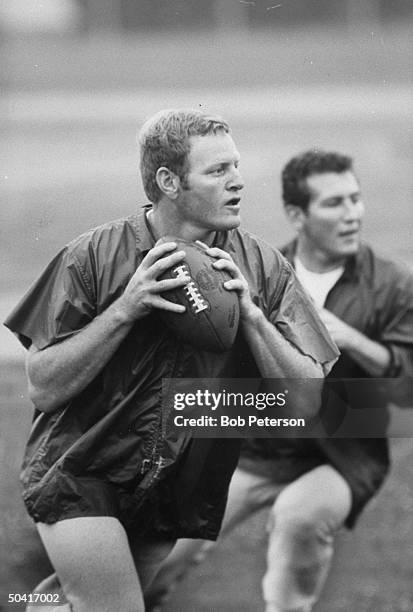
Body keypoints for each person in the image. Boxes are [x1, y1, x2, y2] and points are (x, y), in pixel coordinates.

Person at [4, 114, 337, 612]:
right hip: (81, 470)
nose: (238, 180)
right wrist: (124, 309)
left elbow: (308, 398)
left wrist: (250, 316)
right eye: (218, 170)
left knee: (66, 602)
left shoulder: (263, 268)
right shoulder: (91, 257)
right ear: (169, 181)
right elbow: (44, 389)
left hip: (176, 480)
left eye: (237, 166)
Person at [145, 149, 413, 612]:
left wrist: (351, 339)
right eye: (334, 203)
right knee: (164, 546)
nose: (352, 215)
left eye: (355, 199)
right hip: (258, 449)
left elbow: (406, 393)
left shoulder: (391, 285)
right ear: (297, 215)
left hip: (341, 456)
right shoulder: (262, 270)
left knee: (298, 518)